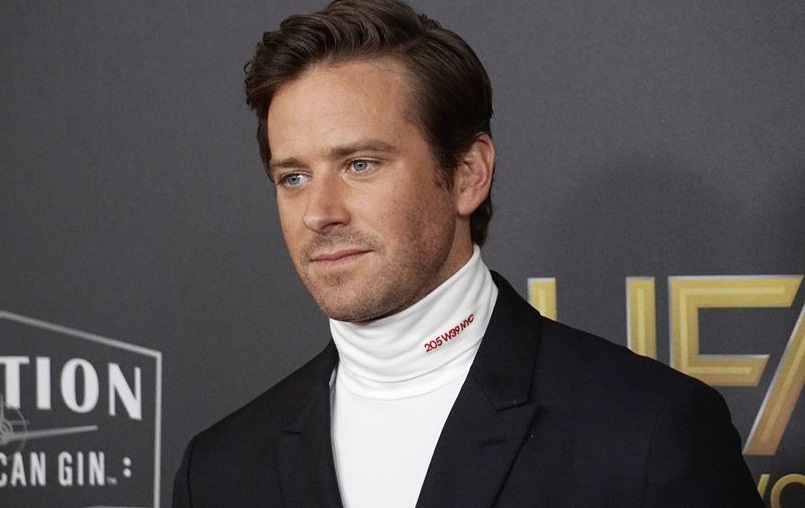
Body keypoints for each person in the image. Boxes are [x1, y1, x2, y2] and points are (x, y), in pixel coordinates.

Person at [173, 1, 764, 506]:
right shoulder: (221, 469)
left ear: (467, 174)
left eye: (360, 164)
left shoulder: (647, 433)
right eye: (294, 177)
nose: (318, 213)